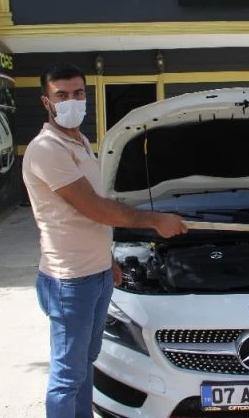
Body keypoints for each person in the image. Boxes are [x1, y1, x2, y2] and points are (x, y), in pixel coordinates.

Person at [22, 63, 187, 418]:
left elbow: (88, 218)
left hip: (95, 273)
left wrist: (108, 259)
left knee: (86, 364)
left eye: (78, 93)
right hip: (69, 281)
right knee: (68, 375)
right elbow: (94, 208)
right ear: (46, 102)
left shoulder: (81, 143)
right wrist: (155, 220)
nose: (71, 101)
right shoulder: (47, 149)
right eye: (61, 96)